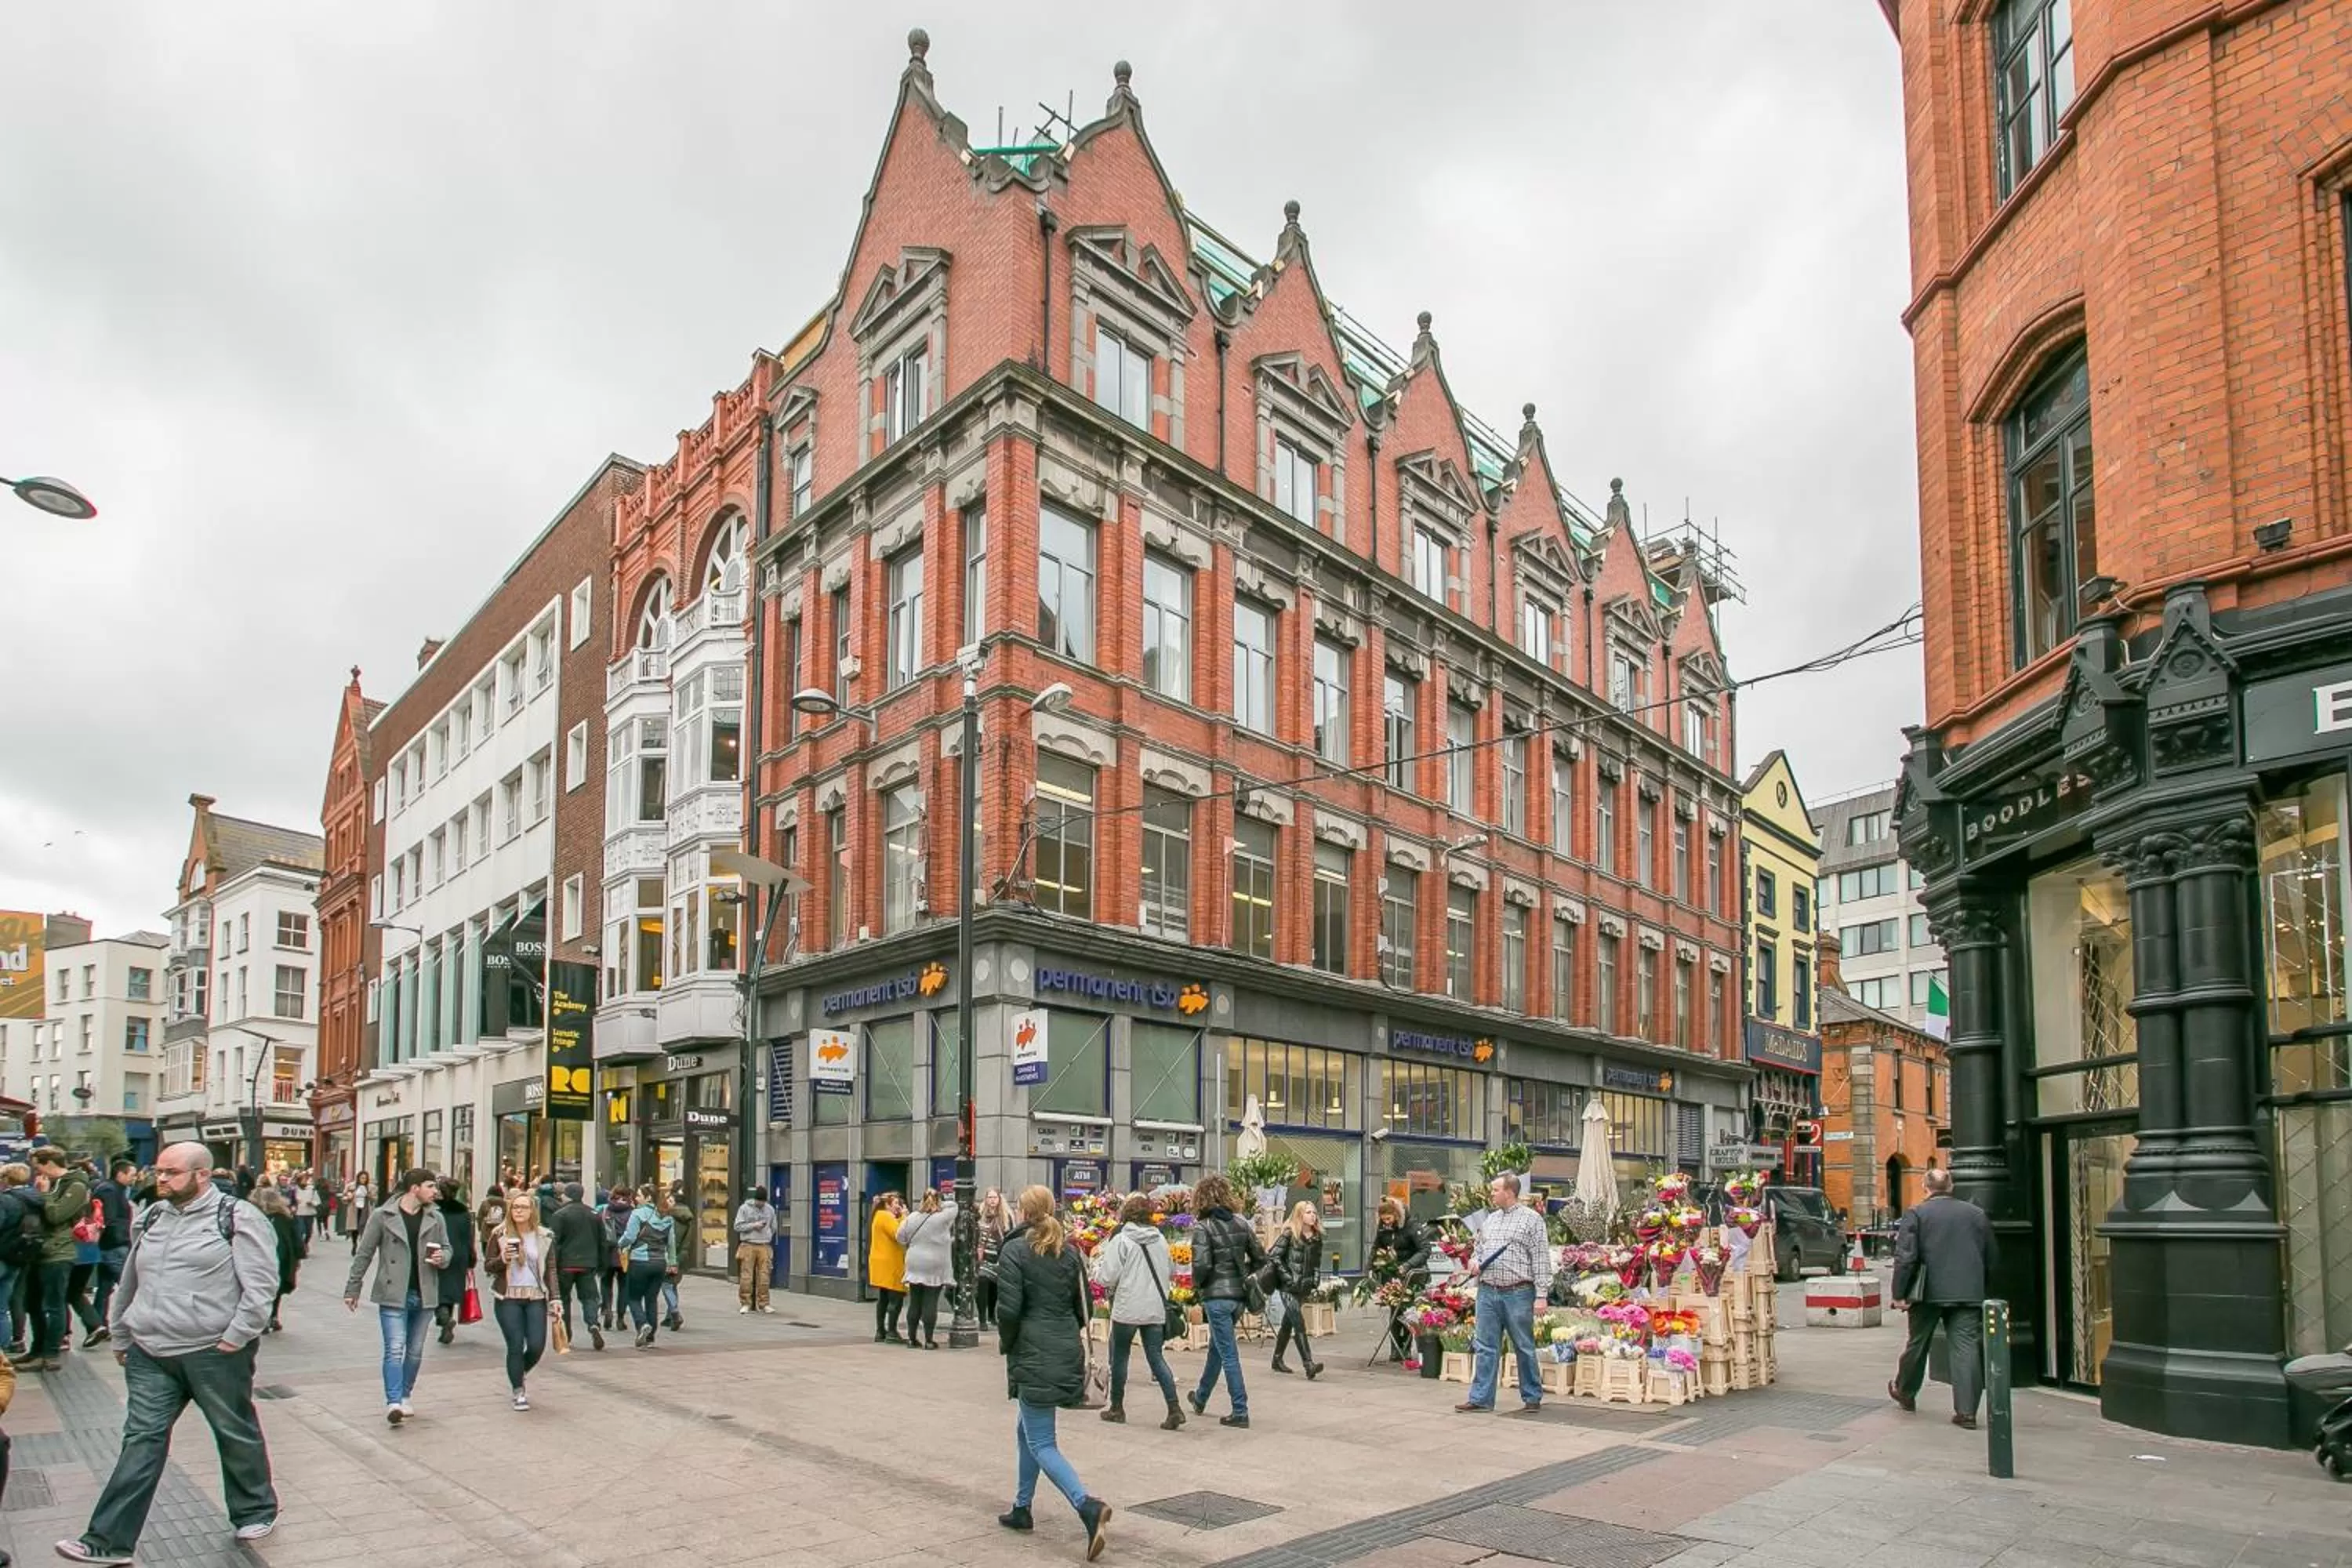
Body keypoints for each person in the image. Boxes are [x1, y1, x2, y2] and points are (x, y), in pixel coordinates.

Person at [54, 1142, 278, 1566]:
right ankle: (107, 1541)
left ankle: (255, 1509)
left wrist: (236, 1336)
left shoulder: (237, 1217)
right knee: (141, 1440)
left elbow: (261, 1285)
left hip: (214, 1352)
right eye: (158, 1171)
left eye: (171, 1173)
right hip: (151, 1351)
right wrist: (122, 1334)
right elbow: (132, 1280)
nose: (159, 1179)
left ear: (202, 1176)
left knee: (233, 1431)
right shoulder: (153, 1215)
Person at [995, 1185, 1113, 1559]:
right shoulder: (1070, 1251)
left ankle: (1087, 1506)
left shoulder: (1015, 1250)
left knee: (1042, 1442)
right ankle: (1022, 1507)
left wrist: (1008, 1342)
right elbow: (1086, 1307)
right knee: (1026, 1429)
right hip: (1064, 1345)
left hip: (1032, 1347)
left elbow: (1009, 1309)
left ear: (1023, 1212)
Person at [1889, 1166, 1998, 1430]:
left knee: (1917, 1343)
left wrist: (1899, 1294)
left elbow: (1906, 1258)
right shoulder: (1976, 1215)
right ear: (1951, 1187)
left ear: (1925, 1188)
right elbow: (1991, 1257)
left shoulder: (1916, 1214)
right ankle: (1967, 1411)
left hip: (1927, 1292)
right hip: (1967, 1292)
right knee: (1966, 1348)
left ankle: (1905, 1391)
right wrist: (1982, 1287)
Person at [343, 1167, 449, 1426]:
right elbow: (364, 1254)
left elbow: (447, 1249)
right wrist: (352, 1288)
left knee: (414, 1351)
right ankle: (393, 1401)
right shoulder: (382, 1216)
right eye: (430, 1186)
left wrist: (443, 1258)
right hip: (393, 1293)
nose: (435, 1192)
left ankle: (405, 1395)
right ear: (415, 1189)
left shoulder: (436, 1217)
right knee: (394, 1349)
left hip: (425, 1292)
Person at [1455, 1173, 1548, 1416]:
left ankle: (1532, 1396)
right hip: (1488, 1291)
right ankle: (1481, 1398)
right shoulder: (1490, 1220)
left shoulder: (1532, 1220)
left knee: (1523, 1345)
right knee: (1485, 1345)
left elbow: (1540, 1258)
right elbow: (1480, 1249)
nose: (1491, 1194)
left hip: (1518, 1292)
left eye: (1495, 1190)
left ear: (1509, 1192)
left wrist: (1542, 1295)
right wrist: (1475, 1262)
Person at [1091, 1194, 1184, 1430]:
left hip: (1127, 1308)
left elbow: (1106, 1277)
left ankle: (1117, 1408)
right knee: (1156, 1357)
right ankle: (1174, 1408)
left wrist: (1101, 1273)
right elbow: (1170, 1271)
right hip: (1154, 1308)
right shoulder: (1160, 1240)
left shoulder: (1122, 1240)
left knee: (1120, 1357)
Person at [1185, 1173, 1267, 1428]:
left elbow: (1201, 1265)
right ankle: (1200, 1397)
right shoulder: (1242, 1224)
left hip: (1216, 1297)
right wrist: (1245, 1274)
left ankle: (1240, 1410)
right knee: (1218, 1349)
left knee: (1228, 1353)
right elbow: (1261, 1258)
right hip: (1238, 1297)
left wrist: (1198, 1286)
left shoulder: (1203, 1227)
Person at [20, 1147, 89, 1374]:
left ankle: (50, 1353)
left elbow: (56, 1215)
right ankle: (36, 1349)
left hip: (58, 1253)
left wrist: (45, 1194)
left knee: (53, 1304)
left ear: (49, 1164)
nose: (36, 1172)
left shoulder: (76, 1186)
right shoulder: (51, 1184)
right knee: (32, 1303)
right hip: (39, 1251)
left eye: (38, 1167)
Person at [484, 1191, 555, 1410]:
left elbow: (551, 1269)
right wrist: (502, 1259)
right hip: (508, 1297)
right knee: (515, 1344)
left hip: (535, 1296)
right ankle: (518, 1390)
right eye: (515, 1207)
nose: (519, 1211)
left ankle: (519, 1370)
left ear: (532, 1210)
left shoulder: (544, 1236)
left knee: (536, 1345)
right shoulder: (499, 1234)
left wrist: (556, 1299)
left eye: (524, 1207)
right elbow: (487, 1266)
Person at [1266, 1200, 1327, 1379]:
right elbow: (1274, 1256)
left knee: (1288, 1323)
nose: (1313, 1216)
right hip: (1288, 1286)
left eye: (1314, 1212)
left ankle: (1277, 1359)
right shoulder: (1289, 1234)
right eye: (1308, 1212)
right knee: (1299, 1323)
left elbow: (1316, 1262)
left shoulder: (1316, 1237)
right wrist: (1287, 1277)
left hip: (1304, 1286)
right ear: (1300, 1215)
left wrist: (1315, 1280)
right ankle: (1309, 1364)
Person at [547, 1182, 607, 1351]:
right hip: (588, 1263)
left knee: (564, 1298)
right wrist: (602, 1264)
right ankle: (593, 1324)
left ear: (566, 1195)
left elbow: (555, 1243)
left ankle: (567, 1333)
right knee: (589, 1297)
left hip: (566, 1264)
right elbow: (603, 1241)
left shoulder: (560, 1215)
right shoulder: (594, 1214)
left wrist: (552, 1266)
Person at [1371, 1197, 1432, 1362]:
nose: (1387, 1223)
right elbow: (1377, 1247)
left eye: (1389, 1219)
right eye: (1383, 1220)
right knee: (1394, 1310)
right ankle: (1395, 1348)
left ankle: (1406, 1346)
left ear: (1397, 1215)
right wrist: (1372, 1266)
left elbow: (1425, 1250)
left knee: (1408, 1310)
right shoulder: (1384, 1228)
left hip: (1411, 1273)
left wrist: (1407, 1265)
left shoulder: (1412, 1227)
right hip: (1392, 1274)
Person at [614, 1186, 675, 1348]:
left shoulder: (638, 1214)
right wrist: (672, 1263)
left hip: (640, 1261)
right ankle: (651, 1337)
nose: (636, 1199)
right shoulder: (667, 1216)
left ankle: (642, 1325)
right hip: (660, 1262)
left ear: (648, 1198)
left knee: (633, 1297)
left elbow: (630, 1236)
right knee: (651, 1299)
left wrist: (619, 1245)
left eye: (639, 1195)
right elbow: (671, 1244)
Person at [896, 1190, 956, 1349]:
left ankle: (911, 1339)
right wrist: (940, 1203)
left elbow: (900, 1237)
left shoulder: (912, 1217)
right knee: (931, 1300)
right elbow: (955, 1206)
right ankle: (929, 1340)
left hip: (915, 1260)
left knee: (915, 1300)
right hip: (935, 1262)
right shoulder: (942, 1217)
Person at [88, 1158, 136, 1338]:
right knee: (127, 1286)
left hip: (110, 1244)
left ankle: (99, 1325)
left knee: (104, 1288)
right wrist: (122, 1239)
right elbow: (109, 1219)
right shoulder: (110, 1191)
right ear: (120, 1174)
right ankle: (131, 1326)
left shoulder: (112, 1189)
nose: (135, 1178)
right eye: (132, 1175)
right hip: (114, 1245)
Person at [431, 1180, 477, 1345]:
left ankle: (443, 1317)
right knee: (450, 1290)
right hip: (460, 1254)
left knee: (436, 1288)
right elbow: (469, 1237)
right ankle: (446, 1321)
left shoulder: (434, 1211)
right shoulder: (464, 1212)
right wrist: (472, 1257)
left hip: (439, 1251)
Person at [252, 1187, 299, 1333]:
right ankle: (273, 1317)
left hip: (264, 1258)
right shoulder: (284, 1217)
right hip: (283, 1259)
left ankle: (266, 1319)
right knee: (276, 1289)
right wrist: (298, 1257)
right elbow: (295, 1239)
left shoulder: (258, 1217)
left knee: (264, 1289)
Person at [868, 1192, 908, 1344]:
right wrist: (904, 1217)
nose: (898, 1206)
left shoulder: (879, 1216)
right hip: (890, 1263)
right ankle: (891, 1331)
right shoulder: (885, 1216)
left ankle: (880, 1331)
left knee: (883, 1298)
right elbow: (898, 1234)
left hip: (881, 1261)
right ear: (887, 1205)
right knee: (896, 1297)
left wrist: (899, 1217)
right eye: (896, 1203)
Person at [731, 1186, 776, 1316]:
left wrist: (767, 1235)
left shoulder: (770, 1210)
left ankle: (764, 1303)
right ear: (754, 1199)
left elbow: (773, 1227)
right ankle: (746, 1303)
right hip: (748, 1244)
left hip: (764, 1245)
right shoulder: (744, 1208)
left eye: (763, 1202)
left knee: (764, 1275)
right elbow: (737, 1226)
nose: (761, 1204)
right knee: (747, 1276)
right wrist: (753, 1226)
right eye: (759, 1201)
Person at [597, 1185, 637, 1330]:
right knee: (624, 1286)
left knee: (606, 1283)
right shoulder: (632, 1213)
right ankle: (620, 1318)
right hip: (625, 1253)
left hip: (607, 1252)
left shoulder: (605, 1210)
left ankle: (607, 1308)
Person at [660, 1187, 693, 1331]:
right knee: (672, 1285)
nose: (667, 1202)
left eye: (669, 1200)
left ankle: (674, 1313)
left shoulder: (670, 1218)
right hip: (683, 1255)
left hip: (671, 1255)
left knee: (667, 1284)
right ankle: (669, 1317)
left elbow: (670, 1239)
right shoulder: (689, 1217)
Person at [976, 1189, 1009, 1326]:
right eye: (989, 1197)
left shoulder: (1005, 1216)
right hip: (983, 1257)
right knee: (982, 1283)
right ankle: (982, 1318)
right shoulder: (980, 1215)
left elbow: (1008, 1234)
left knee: (994, 1288)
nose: (992, 1200)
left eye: (995, 1197)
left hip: (998, 1256)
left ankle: (991, 1315)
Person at [291, 1172, 320, 1255]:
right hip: (299, 1212)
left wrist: (312, 1203)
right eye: (303, 1179)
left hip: (309, 1212)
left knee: (309, 1232)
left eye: (306, 1179)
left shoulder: (312, 1189)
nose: (305, 1181)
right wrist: (295, 1202)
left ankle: (306, 1243)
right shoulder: (294, 1189)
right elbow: (291, 1199)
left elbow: (317, 1201)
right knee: (301, 1230)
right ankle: (301, 1247)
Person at [344, 1174, 372, 1255]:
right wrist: (349, 1196)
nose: (363, 1180)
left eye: (365, 1178)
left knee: (363, 1226)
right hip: (354, 1209)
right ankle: (354, 1244)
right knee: (355, 1228)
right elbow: (344, 1196)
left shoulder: (370, 1187)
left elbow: (374, 1198)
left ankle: (362, 1246)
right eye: (362, 1178)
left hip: (365, 1209)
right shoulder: (351, 1186)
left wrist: (368, 1195)